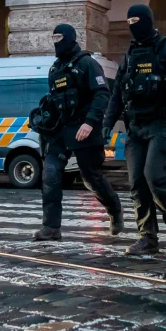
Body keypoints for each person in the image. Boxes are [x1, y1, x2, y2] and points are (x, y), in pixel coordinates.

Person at [104, 4, 166, 255]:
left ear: (148, 20)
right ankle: (147, 237)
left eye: (137, 20)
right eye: (129, 21)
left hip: (162, 125)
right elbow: (117, 93)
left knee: (153, 175)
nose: (133, 25)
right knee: (137, 182)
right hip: (135, 128)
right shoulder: (131, 54)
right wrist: (106, 124)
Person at [32, 24, 124, 242]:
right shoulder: (55, 69)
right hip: (59, 132)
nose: (56, 41)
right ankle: (51, 228)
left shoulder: (87, 64)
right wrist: (43, 118)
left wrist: (90, 123)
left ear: (70, 38)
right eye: (53, 37)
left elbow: (102, 94)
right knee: (51, 176)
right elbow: (54, 101)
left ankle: (115, 210)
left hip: (85, 130)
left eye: (60, 37)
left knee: (91, 177)